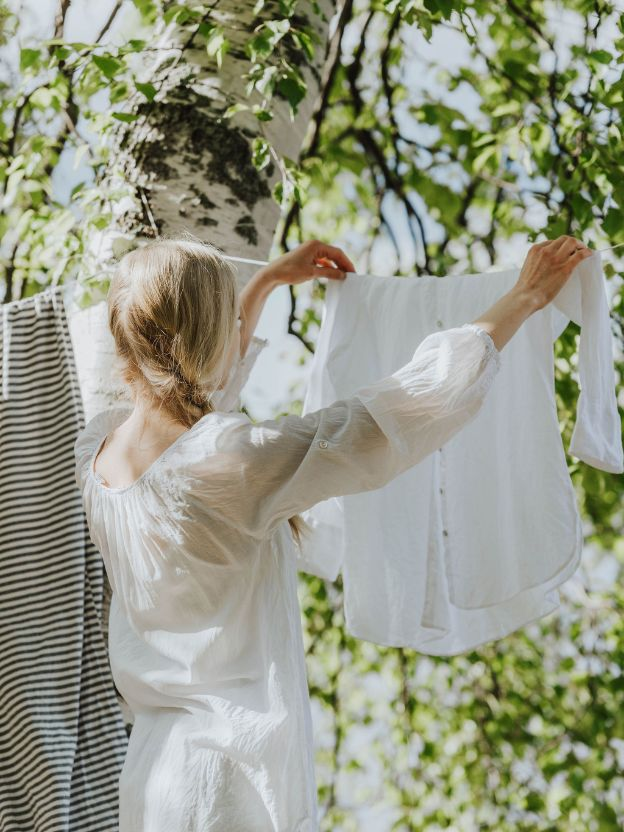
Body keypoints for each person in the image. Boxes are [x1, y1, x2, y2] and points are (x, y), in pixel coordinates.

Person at [77, 234, 594, 831]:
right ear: (206, 337)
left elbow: (193, 393)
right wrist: (523, 297)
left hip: (152, 781)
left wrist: (267, 281)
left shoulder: (99, 452)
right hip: (226, 784)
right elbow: (386, 419)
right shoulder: (226, 465)